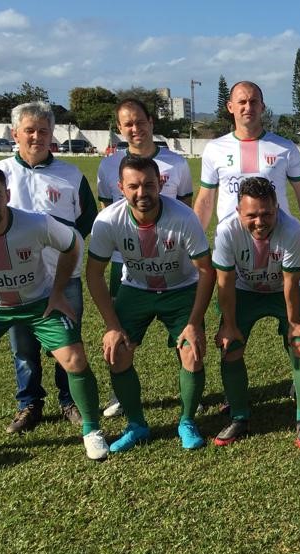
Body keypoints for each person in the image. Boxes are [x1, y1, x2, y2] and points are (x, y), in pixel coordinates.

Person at [0, 164, 107, 460]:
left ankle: (91, 431)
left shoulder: (36, 223)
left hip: (39, 303)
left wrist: (58, 291)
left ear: (7, 195)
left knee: (75, 359)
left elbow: (71, 245)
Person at [85, 156, 215, 452]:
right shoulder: (107, 221)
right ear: (120, 187)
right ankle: (137, 425)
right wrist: (111, 325)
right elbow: (93, 273)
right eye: (133, 186)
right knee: (117, 353)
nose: (141, 193)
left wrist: (194, 323)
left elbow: (206, 270)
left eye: (149, 185)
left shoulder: (183, 217)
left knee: (192, 353)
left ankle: (187, 421)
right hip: (136, 288)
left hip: (181, 288)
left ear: (161, 184)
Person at [0, 101, 97, 434]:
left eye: (43, 130)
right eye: (29, 130)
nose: (36, 137)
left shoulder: (71, 175)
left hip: (63, 278)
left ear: (52, 134)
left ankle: (69, 400)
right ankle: (29, 404)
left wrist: (61, 253)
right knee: (23, 347)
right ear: (15, 134)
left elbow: (86, 220)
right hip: (16, 279)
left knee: (67, 341)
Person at [96, 97, 194, 418]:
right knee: (123, 332)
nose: (135, 129)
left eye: (139, 121)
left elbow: (186, 208)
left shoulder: (176, 163)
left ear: (151, 122)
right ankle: (119, 394)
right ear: (120, 128)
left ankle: (192, 391)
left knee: (184, 335)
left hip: (172, 261)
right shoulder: (109, 165)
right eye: (127, 124)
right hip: (127, 263)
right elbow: (105, 212)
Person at [212, 177, 300, 447]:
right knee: (230, 345)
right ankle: (239, 417)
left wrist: (294, 322)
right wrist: (228, 324)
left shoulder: (292, 229)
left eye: (267, 214)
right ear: (238, 212)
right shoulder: (226, 230)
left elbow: (290, 283)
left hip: (284, 291)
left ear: (277, 208)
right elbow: (224, 282)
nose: (260, 221)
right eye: (252, 215)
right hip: (245, 290)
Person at [194, 81, 300, 269]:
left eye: (254, 102)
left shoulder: (285, 147)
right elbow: (205, 200)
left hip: (279, 240)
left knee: (287, 296)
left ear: (262, 106)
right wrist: (195, 241)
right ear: (230, 107)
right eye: (242, 102)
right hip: (232, 242)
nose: (248, 107)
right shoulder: (214, 149)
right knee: (231, 296)